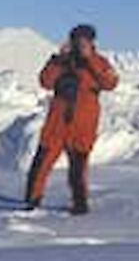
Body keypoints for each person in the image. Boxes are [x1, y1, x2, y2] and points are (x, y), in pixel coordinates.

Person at [24, 24, 119, 215]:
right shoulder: (61, 61)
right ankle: (31, 204)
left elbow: (110, 83)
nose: (80, 44)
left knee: (78, 168)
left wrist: (90, 60)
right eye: (77, 41)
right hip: (57, 122)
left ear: (92, 42)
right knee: (41, 163)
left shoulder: (100, 62)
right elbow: (45, 82)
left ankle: (80, 205)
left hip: (83, 124)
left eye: (85, 41)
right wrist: (59, 60)